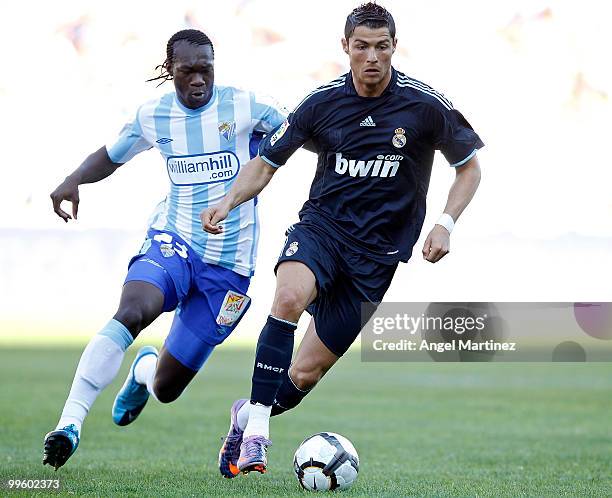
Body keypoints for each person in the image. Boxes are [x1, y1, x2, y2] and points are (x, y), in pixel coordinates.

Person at [202, 2, 484, 476]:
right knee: (288, 297)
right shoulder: (322, 103)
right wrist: (228, 201)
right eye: (362, 47)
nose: (371, 57)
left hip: (377, 259)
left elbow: (470, 166)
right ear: (346, 48)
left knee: (303, 375)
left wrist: (445, 223)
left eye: (381, 47)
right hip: (323, 231)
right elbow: (267, 162)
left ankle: (246, 413)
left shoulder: (424, 106)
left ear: (395, 47)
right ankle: (257, 437)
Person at [43, 29, 288, 471]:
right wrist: (73, 178)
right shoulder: (154, 115)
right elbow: (112, 154)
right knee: (134, 310)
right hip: (173, 240)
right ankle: (70, 423)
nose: (198, 80)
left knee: (166, 388)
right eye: (187, 71)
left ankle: (142, 372)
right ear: (169, 71)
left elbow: (303, 131)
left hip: (229, 268)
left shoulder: (249, 107)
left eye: (205, 70)